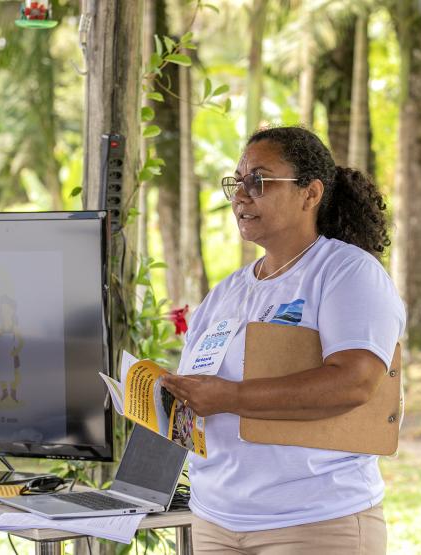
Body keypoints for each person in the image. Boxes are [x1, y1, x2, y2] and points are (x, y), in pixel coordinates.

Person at [161, 126, 406, 554]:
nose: (241, 195)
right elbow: (203, 393)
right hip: (214, 521)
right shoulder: (226, 293)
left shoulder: (345, 272)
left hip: (313, 524)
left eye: (259, 181)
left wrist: (229, 396)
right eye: (238, 182)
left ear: (310, 194)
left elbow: (354, 382)